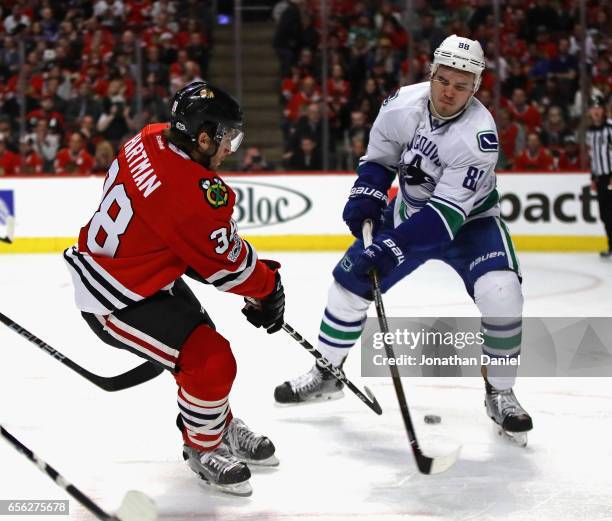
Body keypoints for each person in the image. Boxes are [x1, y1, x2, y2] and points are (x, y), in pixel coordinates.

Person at [274, 35, 533, 445]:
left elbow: (444, 219)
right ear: (432, 73)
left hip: (471, 226)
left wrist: (391, 247)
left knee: (503, 296)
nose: (450, 92)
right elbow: (380, 160)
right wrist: (367, 196)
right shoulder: (400, 105)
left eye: (461, 85)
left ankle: (500, 392)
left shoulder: (479, 136)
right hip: (410, 212)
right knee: (346, 287)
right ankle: (328, 373)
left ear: (476, 87)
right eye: (444, 80)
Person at [63, 81, 286, 496]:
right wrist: (268, 287)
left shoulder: (150, 137)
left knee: (203, 355)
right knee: (211, 361)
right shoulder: (190, 191)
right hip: (115, 297)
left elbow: (174, 234)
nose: (229, 148)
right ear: (202, 137)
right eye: (227, 138)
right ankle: (203, 447)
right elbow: (229, 266)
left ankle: (216, 422)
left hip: (139, 270)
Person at [585, 94, 612, 259]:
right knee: (605, 214)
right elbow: (593, 156)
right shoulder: (590, 132)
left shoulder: (610, 128)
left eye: (598, 108)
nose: (596, 111)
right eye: (593, 108)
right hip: (601, 178)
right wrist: (593, 177)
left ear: (604, 110)